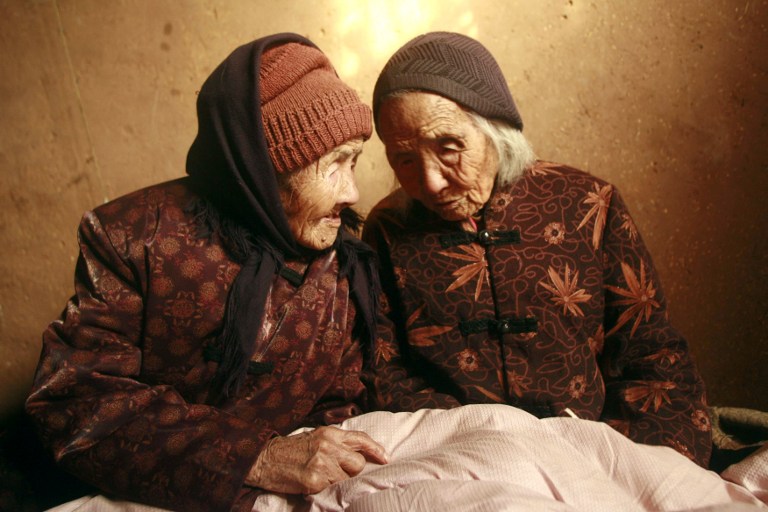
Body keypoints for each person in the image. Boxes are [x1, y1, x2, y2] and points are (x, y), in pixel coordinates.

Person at [25, 33, 388, 512]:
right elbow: (73, 403)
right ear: (264, 168)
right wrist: (256, 457)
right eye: (334, 164)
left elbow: (346, 403)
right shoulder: (134, 238)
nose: (353, 193)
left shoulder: (347, 260)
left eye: (355, 160)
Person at [363, 31, 713, 467]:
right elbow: (382, 369)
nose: (430, 182)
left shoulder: (584, 203)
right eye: (404, 159)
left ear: (494, 129)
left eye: (449, 148)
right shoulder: (387, 229)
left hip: (596, 452)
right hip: (457, 459)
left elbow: (650, 351)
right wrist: (485, 443)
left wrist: (629, 461)